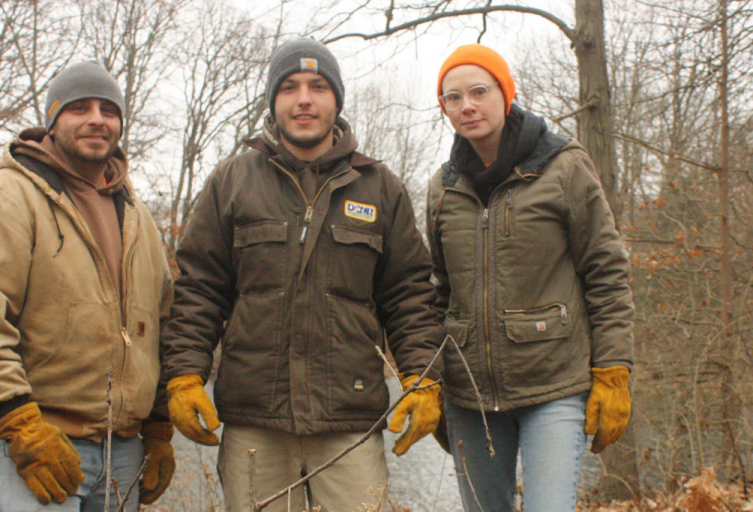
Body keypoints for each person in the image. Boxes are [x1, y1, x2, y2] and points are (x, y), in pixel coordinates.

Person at [161, 38, 444, 511]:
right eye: (289, 87)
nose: (304, 100)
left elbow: (409, 295)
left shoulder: (380, 188)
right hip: (255, 420)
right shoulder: (231, 182)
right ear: (273, 101)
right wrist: (185, 375)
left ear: (337, 99)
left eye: (318, 86)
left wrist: (423, 377)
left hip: (350, 423)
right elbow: (199, 290)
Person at [0, 61, 175, 511]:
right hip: (34, 440)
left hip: (123, 449)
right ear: (52, 120)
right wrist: (20, 423)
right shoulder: (7, 196)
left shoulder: (137, 215)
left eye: (108, 110)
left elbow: (160, 327)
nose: (97, 119)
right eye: (80, 108)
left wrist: (158, 426)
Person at [427, 44, 634, 511]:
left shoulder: (564, 166)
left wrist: (614, 369)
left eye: (479, 92)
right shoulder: (442, 187)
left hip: (554, 385)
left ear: (505, 92)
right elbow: (439, 292)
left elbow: (606, 271)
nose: (467, 106)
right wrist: (431, 380)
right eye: (453, 98)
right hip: (469, 395)